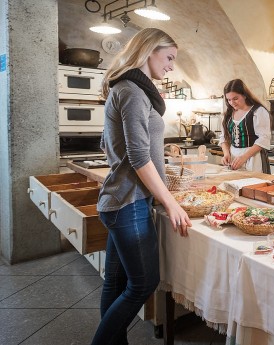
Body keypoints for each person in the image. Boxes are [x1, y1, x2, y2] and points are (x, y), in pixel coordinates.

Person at [93, 28, 191, 345]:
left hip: (119, 200)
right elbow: (137, 157)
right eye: (169, 58)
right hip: (128, 203)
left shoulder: (126, 89)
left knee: (116, 283)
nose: (172, 66)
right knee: (143, 284)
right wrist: (171, 202)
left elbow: (120, 147)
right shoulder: (133, 91)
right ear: (149, 51)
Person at [219, 79, 272, 173]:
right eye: (229, 99)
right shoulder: (227, 114)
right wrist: (226, 154)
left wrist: (244, 157)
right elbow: (223, 137)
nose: (232, 103)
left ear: (244, 95)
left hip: (254, 159)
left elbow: (264, 138)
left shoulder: (258, 111)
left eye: (235, 98)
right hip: (234, 159)